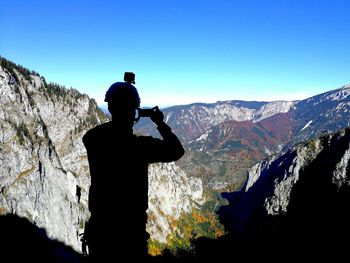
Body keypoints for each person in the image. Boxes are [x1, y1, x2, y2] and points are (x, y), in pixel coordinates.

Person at [82, 77, 185, 262]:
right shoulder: (139, 147)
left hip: (101, 232)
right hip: (130, 235)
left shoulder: (94, 140)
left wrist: (120, 117)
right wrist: (160, 123)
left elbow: (92, 134)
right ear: (133, 112)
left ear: (111, 108)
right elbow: (176, 151)